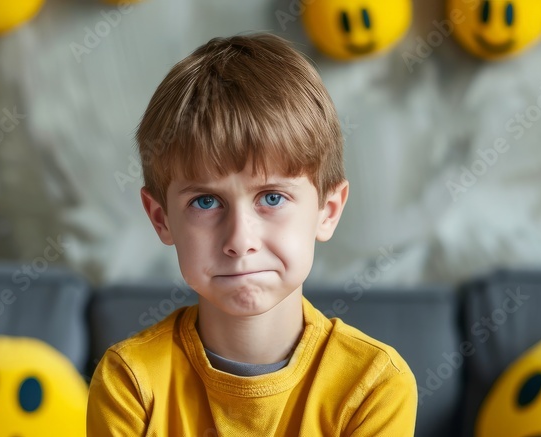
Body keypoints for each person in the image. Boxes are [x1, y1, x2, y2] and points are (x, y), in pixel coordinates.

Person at [87, 33, 417, 436]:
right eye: (206, 202)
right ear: (161, 219)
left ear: (326, 212)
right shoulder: (130, 384)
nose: (240, 240)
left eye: (272, 197)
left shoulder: (374, 385)